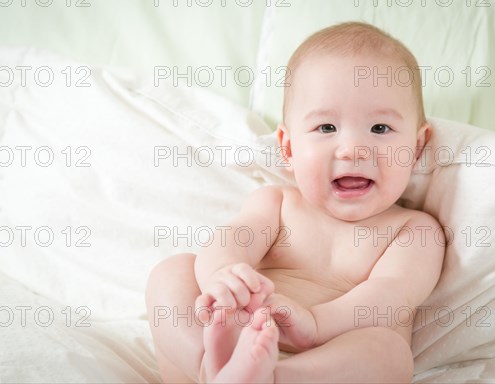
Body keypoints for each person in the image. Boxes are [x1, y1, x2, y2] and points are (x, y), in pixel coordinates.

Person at [146, 21, 445, 383]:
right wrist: (223, 276)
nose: (352, 149)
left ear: (416, 147)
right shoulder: (277, 205)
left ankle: (272, 378)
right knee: (173, 272)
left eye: (380, 129)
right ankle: (212, 367)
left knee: (389, 352)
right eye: (326, 128)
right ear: (288, 147)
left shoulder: (414, 231)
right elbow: (232, 238)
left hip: (323, 362)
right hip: (238, 334)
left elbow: (391, 296)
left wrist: (316, 325)